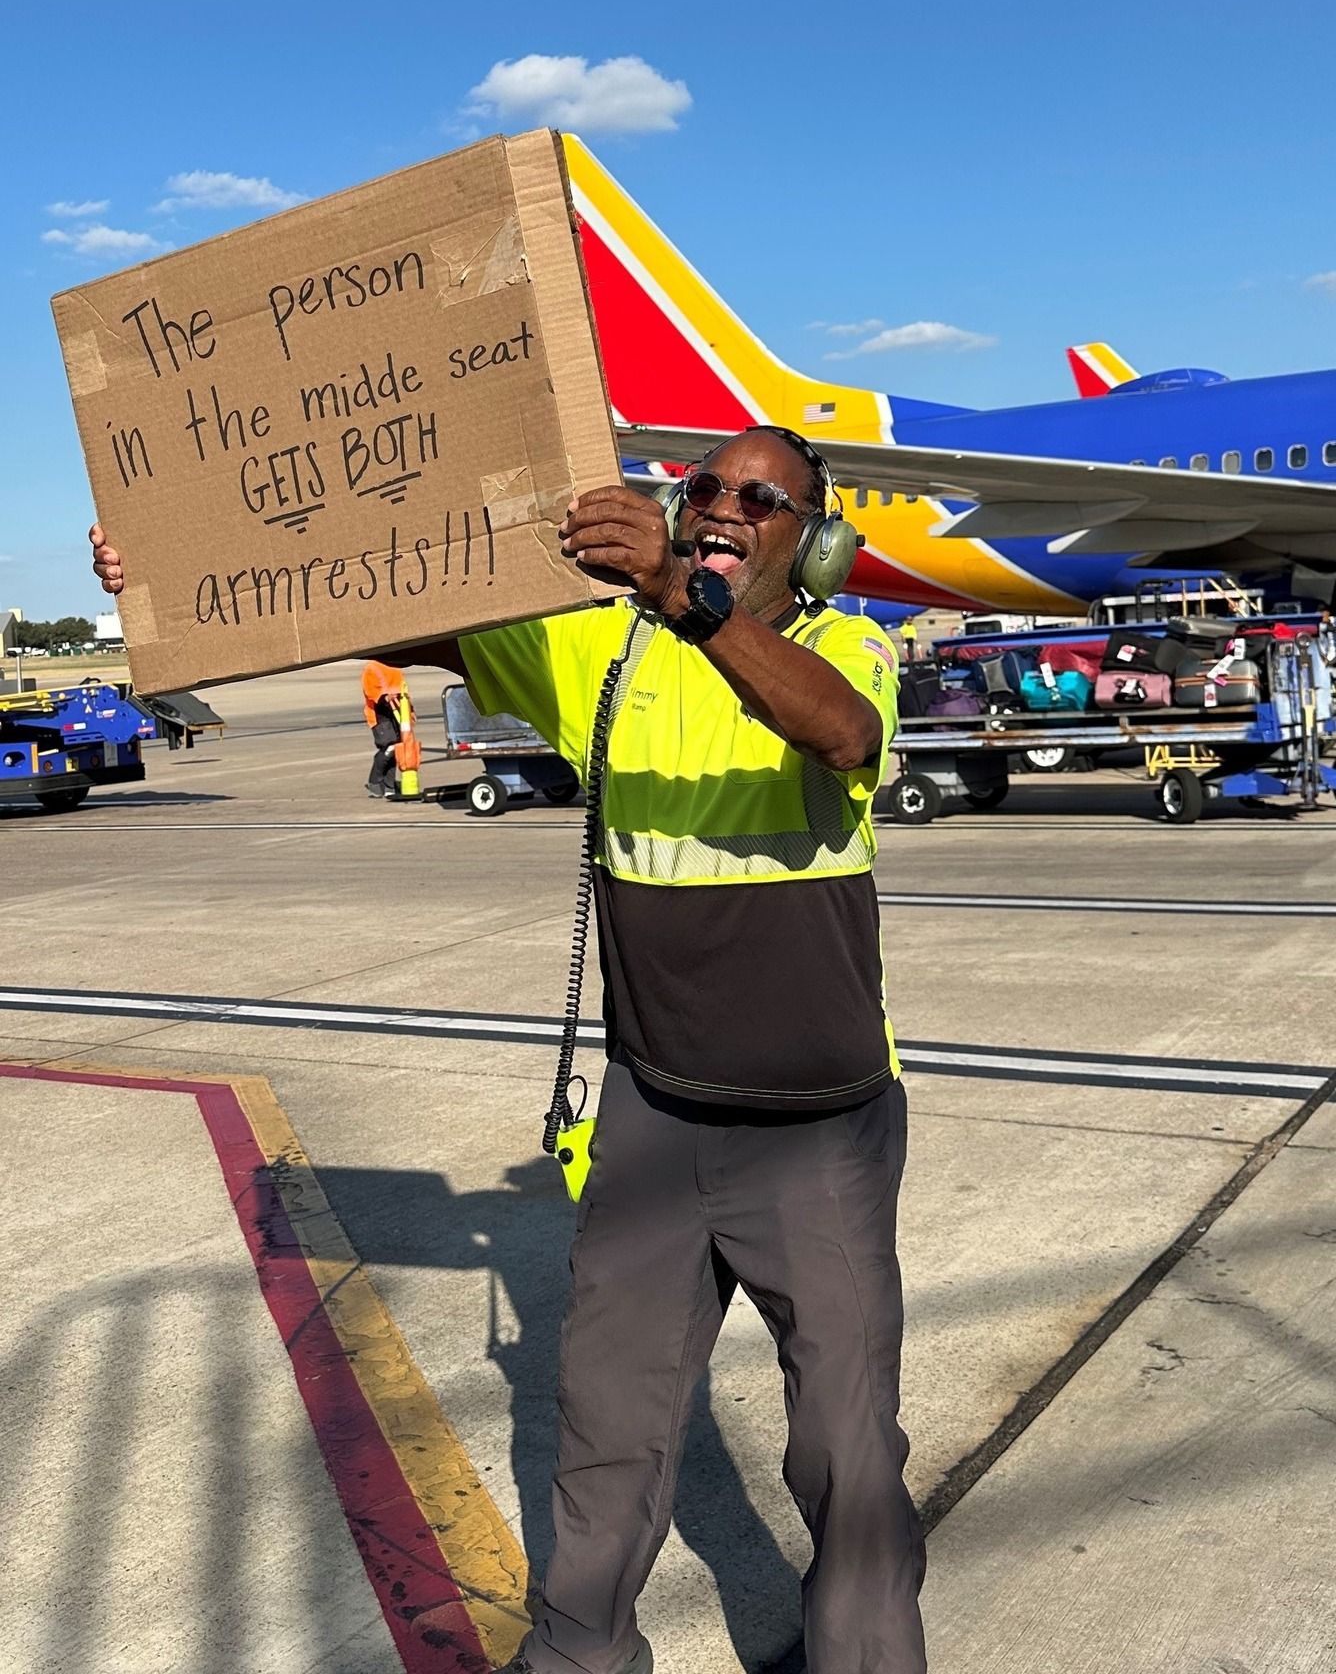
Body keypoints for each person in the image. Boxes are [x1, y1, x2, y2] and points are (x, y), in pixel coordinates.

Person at [90, 425, 926, 1674]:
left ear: (810, 541)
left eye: (764, 498)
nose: (725, 507)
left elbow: (843, 734)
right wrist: (171, 574)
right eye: (705, 486)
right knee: (605, 1424)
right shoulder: (597, 647)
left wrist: (681, 599)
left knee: (846, 1444)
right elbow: (368, 605)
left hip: (816, 1123)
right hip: (655, 1114)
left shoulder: (841, 643)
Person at [361, 658, 405, 798]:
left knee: (396, 749)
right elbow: (371, 692)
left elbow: (402, 689)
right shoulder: (372, 668)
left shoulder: (395, 665)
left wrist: (409, 710)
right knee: (388, 747)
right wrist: (385, 698)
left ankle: (389, 785)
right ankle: (375, 781)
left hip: (397, 713)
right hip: (380, 715)